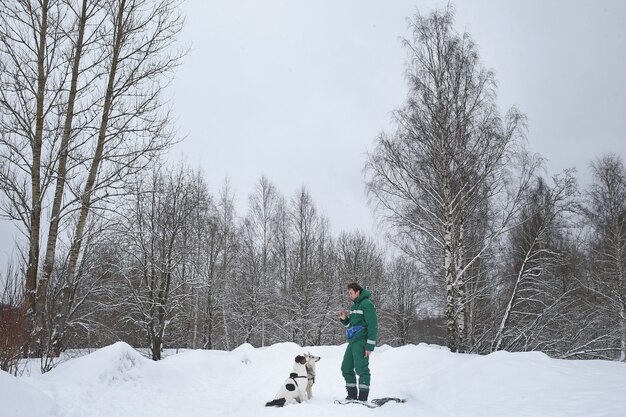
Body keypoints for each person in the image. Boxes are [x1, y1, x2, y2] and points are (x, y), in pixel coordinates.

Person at [339, 282, 378, 402]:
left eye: (351, 293)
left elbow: (373, 325)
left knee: (361, 369)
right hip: (352, 342)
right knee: (346, 367)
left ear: (358, 292)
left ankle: (362, 397)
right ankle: (352, 395)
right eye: (348, 293)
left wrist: (369, 346)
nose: (349, 295)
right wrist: (344, 319)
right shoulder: (355, 306)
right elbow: (353, 325)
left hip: (361, 342)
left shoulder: (367, 305)